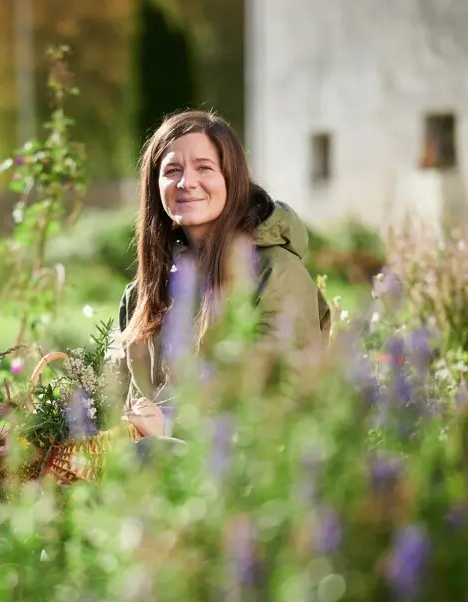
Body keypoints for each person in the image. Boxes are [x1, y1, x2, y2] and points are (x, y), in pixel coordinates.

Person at [116, 109, 331, 440]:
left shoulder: (276, 274)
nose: (186, 182)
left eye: (204, 167)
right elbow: (127, 402)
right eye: (172, 170)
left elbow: (284, 404)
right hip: (158, 465)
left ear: (232, 178)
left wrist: (169, 430)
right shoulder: (145, 291)